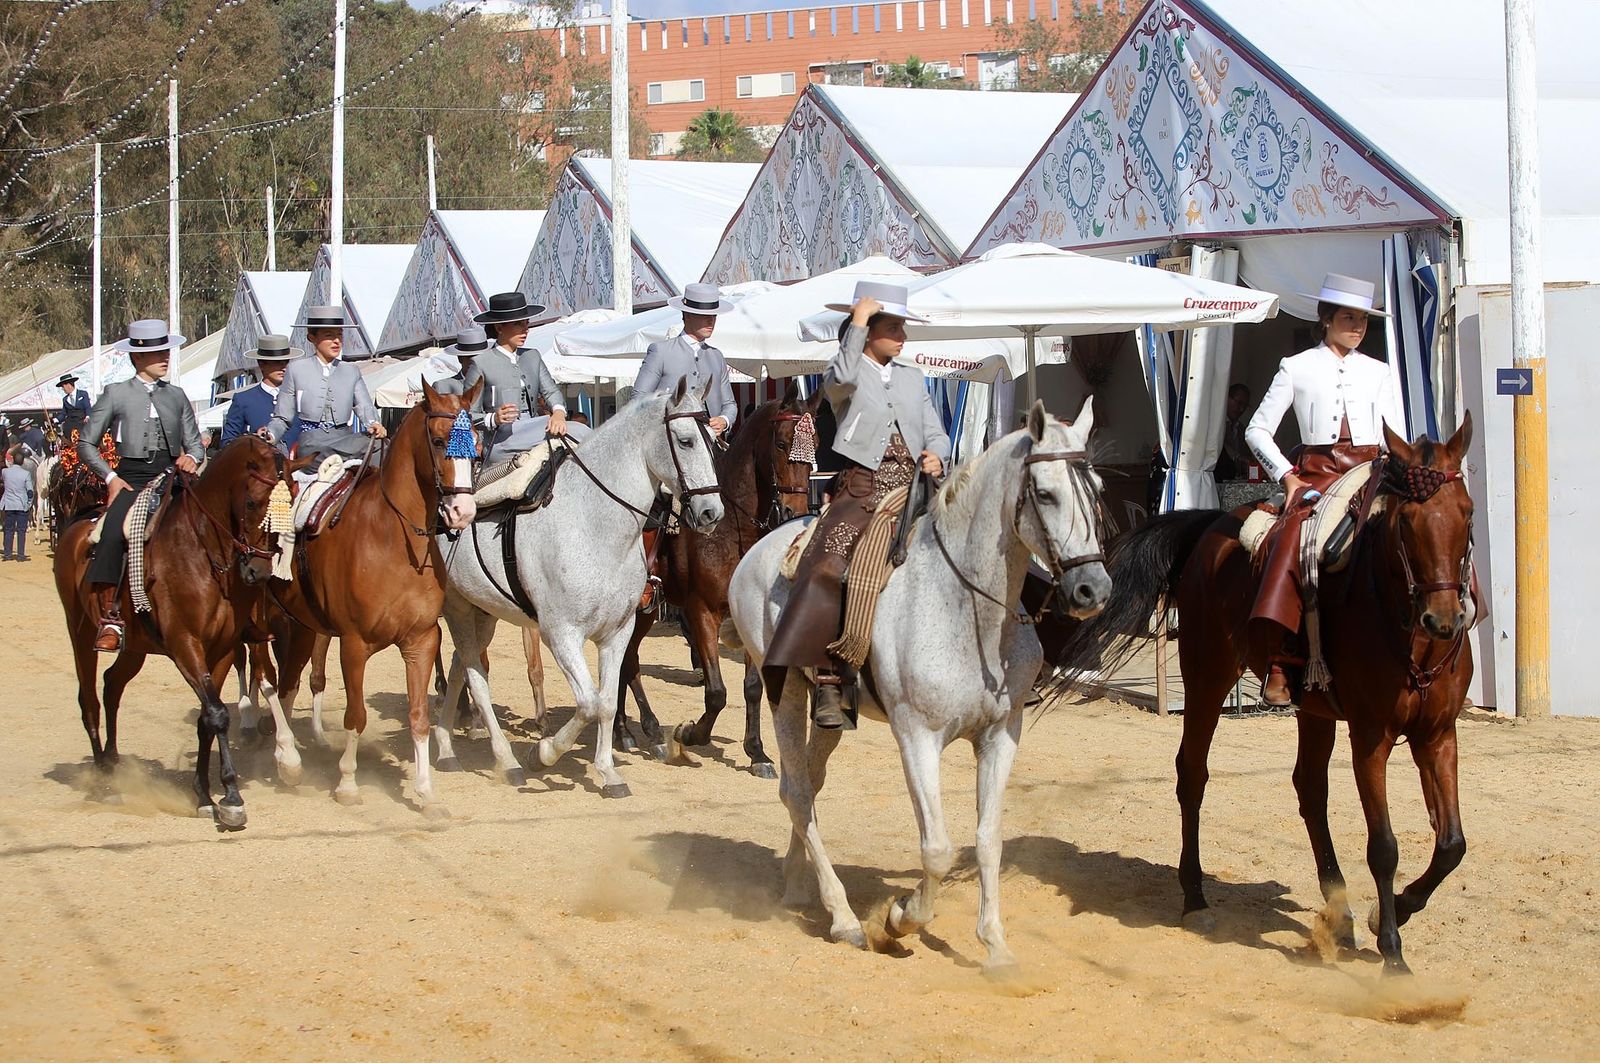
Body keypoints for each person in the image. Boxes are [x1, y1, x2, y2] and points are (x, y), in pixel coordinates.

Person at [765, 282, 950, 729]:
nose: (902, 335)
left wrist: (938, 453)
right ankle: (830, 680)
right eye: (893, 327)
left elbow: (935, 430)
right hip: (861, 489)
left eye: (902, 326)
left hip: (915, 488)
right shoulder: (842, 371)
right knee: (827, 563)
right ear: (867, 331)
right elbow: (842, 379)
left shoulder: (912, 376)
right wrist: (859, 320)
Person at [1244, 273, 1404, 706]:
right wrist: (1287, 477)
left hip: (1374, 469)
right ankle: (1280, 657)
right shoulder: (1295, 367)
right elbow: (1256, 431)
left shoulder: (1379, 370)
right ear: (1326, 319)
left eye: (1363, 320)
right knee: (1291, 538)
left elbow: (1396, 434)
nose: (1356, 327)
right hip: (1318, 472)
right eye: (1348, 318)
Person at [80, 319, 204, 652]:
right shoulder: (116, 394)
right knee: (111, 534)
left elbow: (195, 444)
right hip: (130, 478)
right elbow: (86, 444)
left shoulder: (177, 396)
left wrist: (192, 458)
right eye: (157, 352)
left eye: (166, 351)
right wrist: (110, 477)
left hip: (171, 477)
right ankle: (111, 617)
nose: (165, 357)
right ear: (137, 358)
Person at [462, 292, 577, 460]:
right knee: (578, 431)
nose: (526, 330)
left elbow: (551, 391)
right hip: (501, 439)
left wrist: (558, 413)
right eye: (518, 324)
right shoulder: (480, 363)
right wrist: (494, 418)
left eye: (527, 323)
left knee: (580, 431)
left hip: (534, 427)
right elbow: (468, 413)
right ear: (499, 328)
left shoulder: (533, 356)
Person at [261, 306, 385, 462]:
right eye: (329, 335)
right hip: (312, 443)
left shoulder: (351, 371)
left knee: (381, 445)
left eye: (340, 335)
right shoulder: (296, 369)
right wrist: (270, 434)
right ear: (312, 337)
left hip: (346, 439)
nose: (336, 341)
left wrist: (374, 423)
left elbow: (365, 406)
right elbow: (282, 417)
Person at [633, 282, 738, 436]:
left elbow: (730, 404)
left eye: (714, 315)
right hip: (669, 442)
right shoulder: (660, 351)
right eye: (705, 315)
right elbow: (638, 400)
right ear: (687, 316)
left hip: (710, 442)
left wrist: (724, 420)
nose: (711, 321)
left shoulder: (717, 356)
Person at [223, 334, 303, 448]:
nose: (283, 367)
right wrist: (253, 439)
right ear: (261, 364)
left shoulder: (300, 397)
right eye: (277, 362)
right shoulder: (243, 400)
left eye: (286, 362)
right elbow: (227, 443)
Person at [1214, 383, 1252, 480]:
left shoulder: (1243, 430)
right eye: (1239, 403)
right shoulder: (1214, 425)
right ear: (1227, 398)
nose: (1241, 409)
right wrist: (1237, 457)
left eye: (1245, 406)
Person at [2, 448, 35, 561]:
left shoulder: (5, 472)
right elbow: (30, 491)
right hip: (21, 505)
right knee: (21, 531)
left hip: (9, 504)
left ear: (13, 461)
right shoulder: (26, 474)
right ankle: (20, 555)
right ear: (22, 462)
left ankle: (7, 555)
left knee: (9, 530)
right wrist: (29, 504)